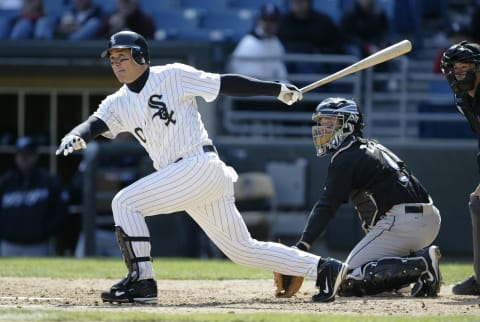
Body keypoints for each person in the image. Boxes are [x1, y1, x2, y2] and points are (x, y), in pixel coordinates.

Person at [55, 30, 350, 304]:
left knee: (125, 202)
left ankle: (142, 282)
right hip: (188, 177)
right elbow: (95, 123)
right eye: (113, 59)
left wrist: (275, 90)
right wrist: (76, 135)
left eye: (123, 56)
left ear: (141, 57)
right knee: (242, 250)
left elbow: (225, 83)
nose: (117, 63)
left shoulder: (172, 75)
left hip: (197, 164)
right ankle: (324, 268)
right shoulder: (117, 102)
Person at [277, 97, 442, 299]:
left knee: (345, 280)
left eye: (330, 122)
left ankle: (422, 263)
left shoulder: (347, 156)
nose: (323, 128)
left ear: (349, 124)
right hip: (426, 218)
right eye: (321, 122)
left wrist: (302, 247)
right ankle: (410, 274)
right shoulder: (370, 147)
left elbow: (327, 205)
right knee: (376, 278)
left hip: (403, 223)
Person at [440, 41, 480, 295]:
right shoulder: (465, 99)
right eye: (455, 69)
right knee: (477, 203)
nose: (459, 74)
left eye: (466, 68)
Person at [0, 136, 68, 256]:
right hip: (9, 244)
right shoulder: (6, 182)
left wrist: (45, 232)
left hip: (39, 245)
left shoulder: (49, 181)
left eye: (28, 154)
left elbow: (61, 211)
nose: (23, 158)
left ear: (36, 155)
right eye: (20, 154)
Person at [276, 0, 345, 74]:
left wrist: (319, 51)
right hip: (289, 61)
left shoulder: (323, 21)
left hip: (316, 63)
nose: (297, 3)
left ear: (309, 2)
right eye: (294, 1)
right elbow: (279, 44)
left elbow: (336, 46)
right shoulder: (282, 22)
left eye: (300, 1)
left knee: (306, 65)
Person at [226, 3, 288, 82]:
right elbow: (234, 70)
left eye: (273, 20)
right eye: (265, 19)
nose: (268, 24)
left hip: (269, 90)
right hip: (246, 89)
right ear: (259, 20)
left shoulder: (277, 44)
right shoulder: (247, 42)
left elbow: (281, 74)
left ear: (278, 23)